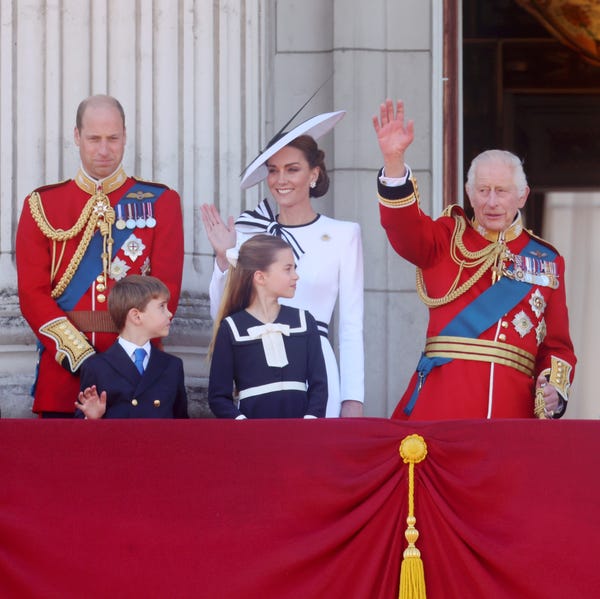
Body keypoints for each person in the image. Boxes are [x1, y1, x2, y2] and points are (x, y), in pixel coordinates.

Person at [372, 98, 576, 420]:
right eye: (483, 190)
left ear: (522, 195)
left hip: (513, 415)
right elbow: (404, 228)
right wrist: (394, 162)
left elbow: (558, 347)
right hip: (442, 408)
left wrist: (554, 390)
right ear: (469, 193)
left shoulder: (547, 260)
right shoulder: (446, 238)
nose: (491, 202)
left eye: (501, 191)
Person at [16, 94, 184, 418]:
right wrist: (82, 357)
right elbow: (31, 295)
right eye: (94, 139)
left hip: (138, 378)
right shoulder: (42, 205)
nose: (104, 150)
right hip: (64, 378)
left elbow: (166, 290)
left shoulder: (160, 202)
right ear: (77, 136)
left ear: (125, 136)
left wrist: (119, 360)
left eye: (113, 138)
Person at [201, 110, 364, 418]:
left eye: (292, 169)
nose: (280, 180)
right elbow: (220, 314)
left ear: (314, 173)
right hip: (257, 366)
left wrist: (352, 399)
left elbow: (351, 326)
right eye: (273, 170)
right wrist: (223, 259)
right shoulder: (248, 232)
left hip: (316, 368)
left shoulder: (344, 234)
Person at [208, 234, 327, 419]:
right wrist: (243, 425)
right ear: (260, 277)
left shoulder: (304, 322)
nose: (296, 276)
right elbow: (218, 397)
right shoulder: (231, 328)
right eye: (288, 269)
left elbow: (319, 385)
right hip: (253, 438)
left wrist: (310, 420)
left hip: (301, 435)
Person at [75, 275, 188, 419]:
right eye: (162, 307)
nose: (170, 313)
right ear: (136, 316)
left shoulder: (172, 365)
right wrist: (91, 418)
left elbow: (182, 424)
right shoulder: (97, 367)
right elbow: (79, 430)